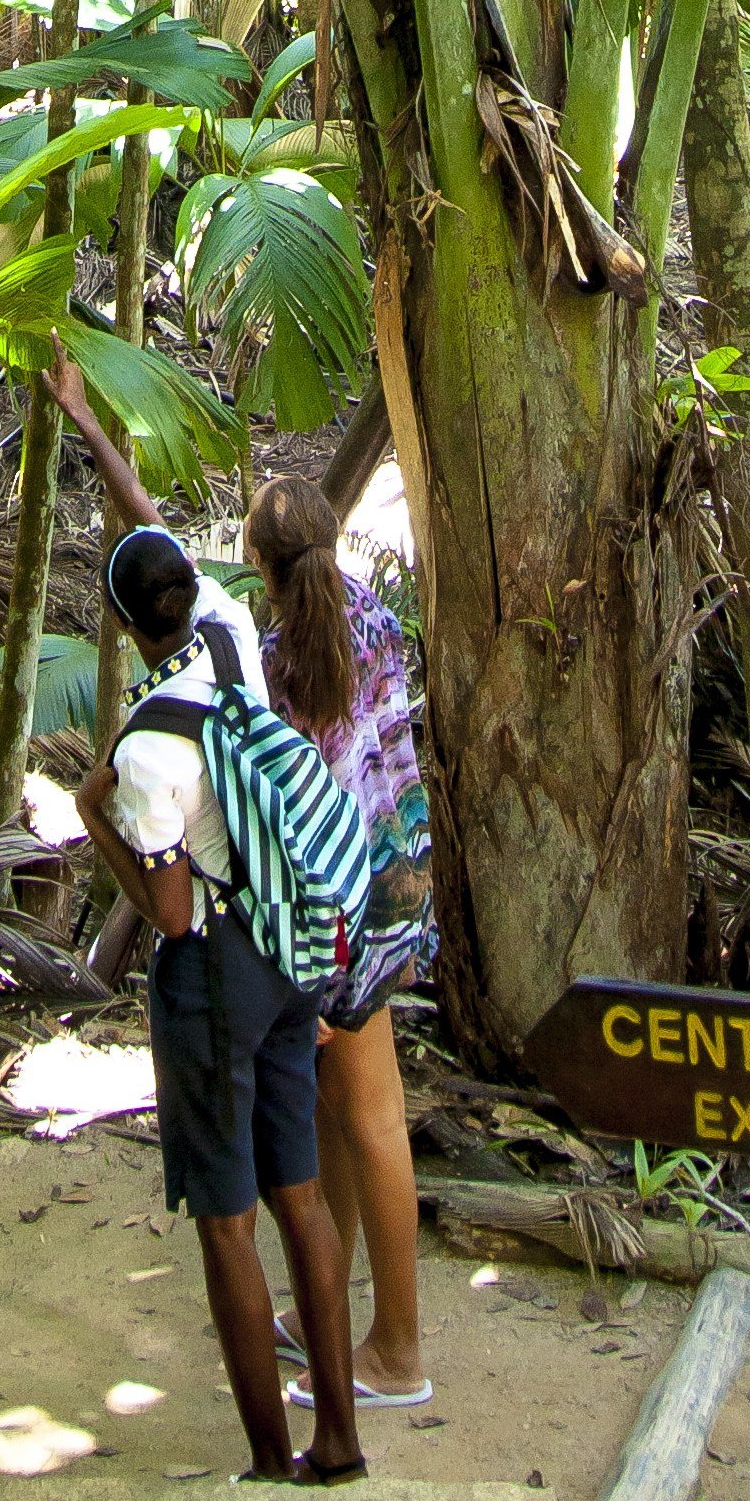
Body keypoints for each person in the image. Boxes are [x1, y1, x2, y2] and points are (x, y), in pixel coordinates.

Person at [70, 524, 365, 1484]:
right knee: (302, 1197)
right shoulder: (232, 634)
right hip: (287, 947)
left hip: (214, 977)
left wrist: (91, 818)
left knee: (227, 1222)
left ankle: (269, 1464)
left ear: (121, 624)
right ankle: (340, 1439)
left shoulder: (150, 748)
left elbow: (167, 908)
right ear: (192, 589)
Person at [242, 476, 437, 1413]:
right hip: (398, 882)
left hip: (335, 916)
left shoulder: (277, 660)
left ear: (262, 569)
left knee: (372, 1117)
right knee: (338, 1107)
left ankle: (397, 1349)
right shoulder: (372, 617)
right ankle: (330, 1302)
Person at [42, 356, 266, 701]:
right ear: (187, 579)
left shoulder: (148, 730)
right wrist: (84, 417)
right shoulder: (231, 623)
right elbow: (148, 521)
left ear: (119, 621)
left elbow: (150, 524)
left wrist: (84, 416)